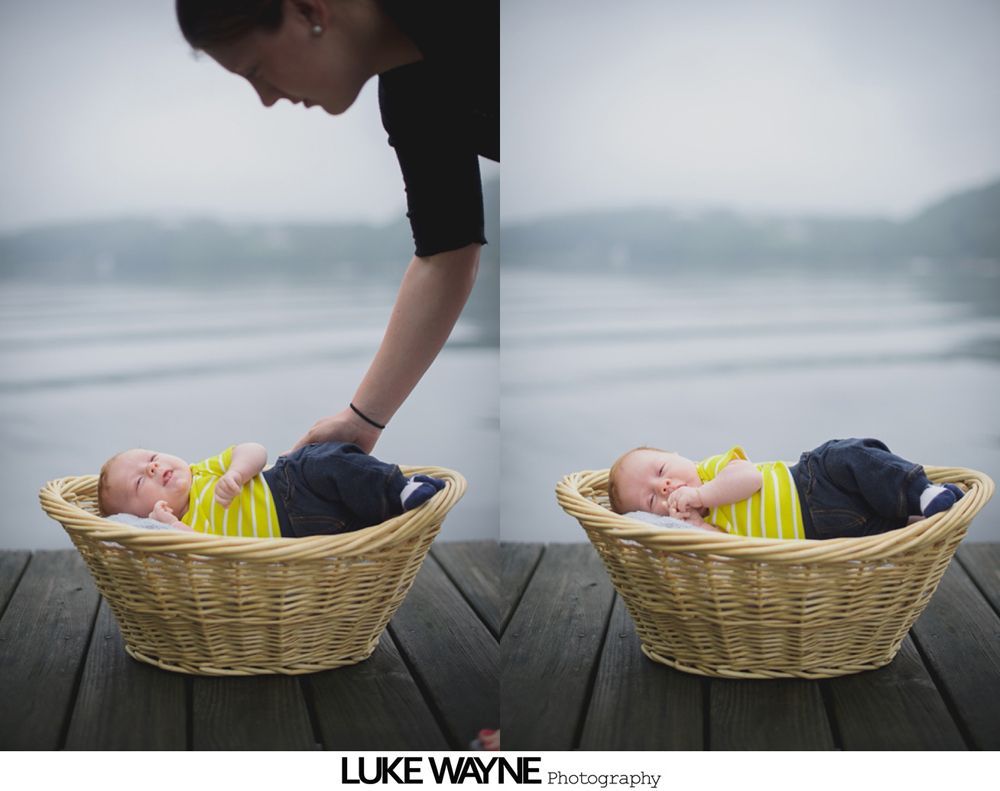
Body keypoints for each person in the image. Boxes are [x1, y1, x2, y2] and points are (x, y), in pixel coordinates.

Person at [175, 0, 499, 454]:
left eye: (257, 70)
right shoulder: (412, 95)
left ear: (309, 11)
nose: (266, 99)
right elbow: (446, 252)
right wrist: (362, 420)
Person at [607, 438, 965, 540]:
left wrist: (702, 495)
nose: (665, 487)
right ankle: (916, 518)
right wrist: (699, 527)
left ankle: (921, 491)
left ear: (676, 453)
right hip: (819, 534)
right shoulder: (690, 528)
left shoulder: (710, 470)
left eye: (661, 470)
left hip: (812, 483)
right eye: (652, 498)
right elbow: (725, 551)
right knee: (879, 538)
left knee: (849, 455)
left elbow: (751, 480)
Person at [97, 441, 444, 537]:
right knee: (357, 529)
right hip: (304, 536)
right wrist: (169, 527)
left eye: (152, 457)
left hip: (289, 486)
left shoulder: (203, 470)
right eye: (141, 480)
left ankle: (397, 490)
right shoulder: (181, 526)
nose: (154, 467)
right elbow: (202, 554)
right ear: (136, 516)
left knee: (325, 459)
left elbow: (255, 450)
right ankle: (387, 511)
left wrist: (237, 472)